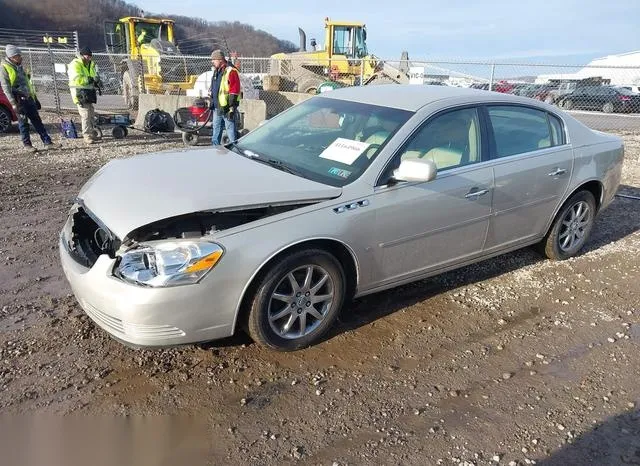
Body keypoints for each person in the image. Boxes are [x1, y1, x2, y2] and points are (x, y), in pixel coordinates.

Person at [0, 44, 53, 152]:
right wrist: (14, 104)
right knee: (23, 123)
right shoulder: (4, 68)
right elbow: (6, 87)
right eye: (18, 55)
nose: (21, 57)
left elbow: (27, 84)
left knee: (37, 120)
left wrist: (34, 98)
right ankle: (27, 144)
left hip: (28, 97)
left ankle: (47, 142)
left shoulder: (19, 66)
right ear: (12, 57)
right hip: (18, 99)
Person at [68, 46, 100, 144]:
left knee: (90, 114)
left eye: (90, 57)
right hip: (80, 94)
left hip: (88, 93)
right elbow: (77, 79)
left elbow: (94, 75)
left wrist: (97, 81)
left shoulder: (90, 64)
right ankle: (87, 136)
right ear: (82, 55)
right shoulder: (75, 64)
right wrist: (90, 79)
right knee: (85, 115)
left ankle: (91, 133)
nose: (89, 58)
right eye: (87, 56)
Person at [209, 49, 241, 145]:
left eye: (214, 60)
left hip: (227, 107)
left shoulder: (231, 71)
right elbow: (215, 88)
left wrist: (231, 107)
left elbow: (234, 90)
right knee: (216, 128)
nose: (212, 62)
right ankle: (215, 149)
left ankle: (234, 150)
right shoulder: (216, 71)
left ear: (220, 60)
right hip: (217, 106)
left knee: (230, 130)